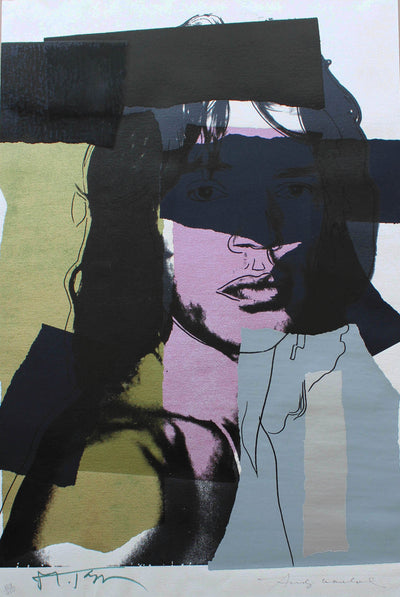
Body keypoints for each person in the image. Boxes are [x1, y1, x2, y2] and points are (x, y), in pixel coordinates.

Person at [1, 14, 400, 568]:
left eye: (294, 189)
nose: (261, 233)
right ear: (145, 225)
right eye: (207, 194)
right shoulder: (139, 451)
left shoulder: (316, 417)